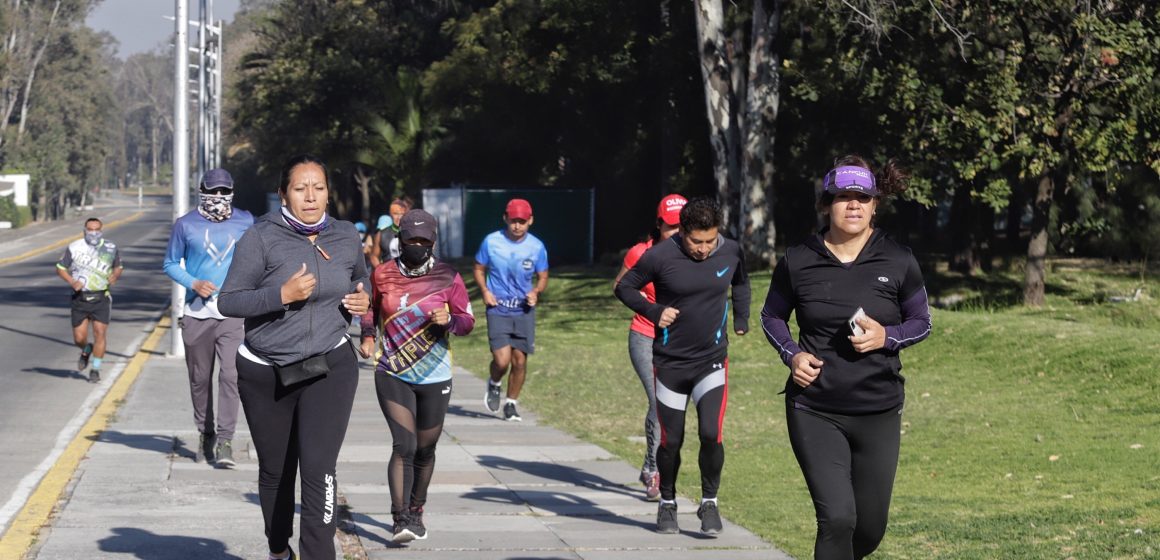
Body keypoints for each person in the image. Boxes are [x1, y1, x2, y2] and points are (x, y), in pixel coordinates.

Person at [760, 155, 931, 559]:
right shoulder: (798, 259)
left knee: (868, 530)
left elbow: (922, 322)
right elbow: (771, 316)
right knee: (837, 519)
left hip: (879, 409)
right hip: (815, 408)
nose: (852, 205)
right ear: (825, 204)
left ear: (875, 205)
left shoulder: (899, 258)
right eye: (842, 197)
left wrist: (886, 336)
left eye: (862, 197)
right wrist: (792, 355)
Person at [218, 154, 371, 560]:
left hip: (329, 365)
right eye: (300, 188)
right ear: (284, 193)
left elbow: (360, 275)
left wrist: (362, 297)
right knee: (276, 471)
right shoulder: (261, 237)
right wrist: (280, 296)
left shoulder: (344, 236)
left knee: (320, 470)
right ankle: (277, 548)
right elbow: (229, 301)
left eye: (318, 188)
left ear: (327, 193)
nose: (310, 196)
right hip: (266, 371)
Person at [614, 196, 750, 536]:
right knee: (671, 440)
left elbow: (742, 282)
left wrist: (742, 317)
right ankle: (668, 504)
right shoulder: (660, 256)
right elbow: (624, 287)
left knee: (710, 433)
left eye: (710, 241)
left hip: (712, 360)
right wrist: (654, 311)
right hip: (671, 363)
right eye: (696, 241)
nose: (704, 249)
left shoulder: (731, 250)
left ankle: (709, 503)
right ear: (681, 233)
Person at [358, 209, 475, 544]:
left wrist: (449, 320)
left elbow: (467, 321)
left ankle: (417, 509)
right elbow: (370, 308)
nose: (418, 245)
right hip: (392, 370)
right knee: (404, 444)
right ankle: (400, 519)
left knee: (426, 448)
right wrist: (368, 336)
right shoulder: (381, 274)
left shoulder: (448, 277)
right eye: (412, 240)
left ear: (433, 241)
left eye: (425, 240)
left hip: (435, 374)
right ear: (401, 240)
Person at [163, 168, 255, 467]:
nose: (218, 197)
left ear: (231, 191)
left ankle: (226, 441)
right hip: (196, 314)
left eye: (223, 191)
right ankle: (206, 433)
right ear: (201, 190)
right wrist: (193, 283)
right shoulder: (185, 225)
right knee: (199, 380)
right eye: (212, 191)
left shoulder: (246, 221)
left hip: (232, 313)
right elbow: (170, 263)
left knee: (231, 375)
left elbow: (257, 259)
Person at [612, 193, 687, 501]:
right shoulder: (640, 253)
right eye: (671, 226)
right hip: (644, 335)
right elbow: (620, 286)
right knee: (659, 402)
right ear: (659, 225)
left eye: (683, 225)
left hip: (680, 341)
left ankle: (647, 464)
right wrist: (651, 310)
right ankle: (655, 472)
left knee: (671, 407)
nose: (678, 232)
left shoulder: (697, 254)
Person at [473, 198, 549, 422]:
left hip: (523, 310)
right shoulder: (491, 242)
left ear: (530, 221)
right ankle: (494, 382)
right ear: (505, 219)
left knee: (520, 361)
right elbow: (478, 268)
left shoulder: (536, 246)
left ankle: (511, 404)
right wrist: (485, 291)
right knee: (502, 361)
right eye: (513, 220)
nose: (517, 225)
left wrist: (536, 292)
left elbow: (543, 275)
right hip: (498, 308)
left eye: (522, 221)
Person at [57, 217, 124, 384]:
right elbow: (60, 268)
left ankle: (95, 368)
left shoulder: (110, 248)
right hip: (80, 297)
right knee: (79, 338)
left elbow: (118, 267)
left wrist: (115, 275)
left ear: (101, 231)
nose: (93, 233)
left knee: (100, 333)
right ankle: (86, 349)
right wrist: (72, 281)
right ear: (84, 230)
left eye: (96, 230)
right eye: (90, 229)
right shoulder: (74, 247)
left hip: (101, 296)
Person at [371, 198, 411, 266]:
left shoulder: (412, 233)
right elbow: (374, 256)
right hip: (388, 273)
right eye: (395, 214)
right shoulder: (381, 234)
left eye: (402, 214)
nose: (399, 217)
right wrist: (381, 271)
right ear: (390, 214)